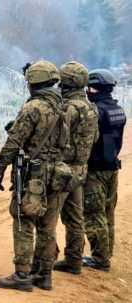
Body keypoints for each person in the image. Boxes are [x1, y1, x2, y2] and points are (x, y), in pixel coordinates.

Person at [0, 60, 68, 292]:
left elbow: (15, 141)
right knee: (48, 225)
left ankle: (22, 274)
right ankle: (44, 275)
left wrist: (1, 165)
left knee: (23, 219)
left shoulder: (33, 107)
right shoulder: (63, 107)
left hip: (33, 173)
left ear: (33, 82)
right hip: (57, 171)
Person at [53, 62, 99, 275]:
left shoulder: (67, 108)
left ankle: (42, 264)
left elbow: (55, 138)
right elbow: (95, 137)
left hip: (62, 170)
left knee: (48, 217)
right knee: (75, 218)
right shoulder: (91, 107)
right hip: (80, 170)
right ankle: (74, 260)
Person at [83, 69, 126, 272]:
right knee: (108, 212)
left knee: (94, 214)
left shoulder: (95, 112)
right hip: (112, 168)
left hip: (95, 170)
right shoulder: (118, 110)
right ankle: (105, 253)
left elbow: (87, 141)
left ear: (94, 88)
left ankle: (100, 259)